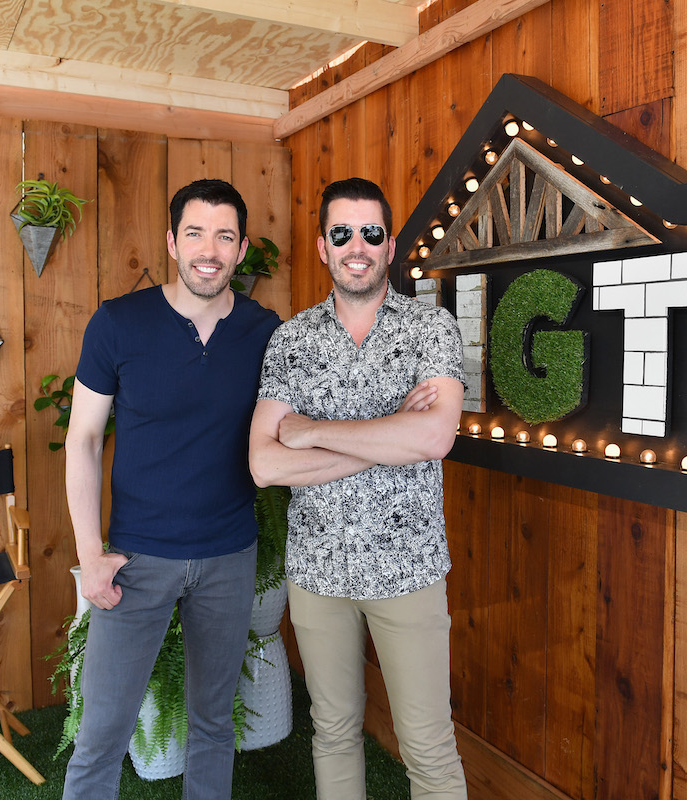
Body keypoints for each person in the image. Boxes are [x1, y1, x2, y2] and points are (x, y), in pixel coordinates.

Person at [249, 177, 468, 799]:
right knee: (334, 731)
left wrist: (313, 431)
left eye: (371, 232)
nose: (357, 246)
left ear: (390, 244)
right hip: (317, 572)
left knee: (428, 746)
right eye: (341, 233)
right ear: (323, 247)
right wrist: (388, 430)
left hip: (409, 570)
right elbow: (264, 464)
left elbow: (432, 440)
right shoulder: (292, 340)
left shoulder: (431, 328)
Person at [62, 179, 281, 800]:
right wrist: (89, 556)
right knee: (102, 731)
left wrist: (399, 408)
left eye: (224, 235)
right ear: (172, 242)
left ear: (241, 250)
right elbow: (82, 441)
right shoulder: (118, 324)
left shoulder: (267, 333)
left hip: (229, 557)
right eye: (194, 233)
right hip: (136, 561)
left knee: (213, 726)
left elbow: (307, 414)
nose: (208, 249)